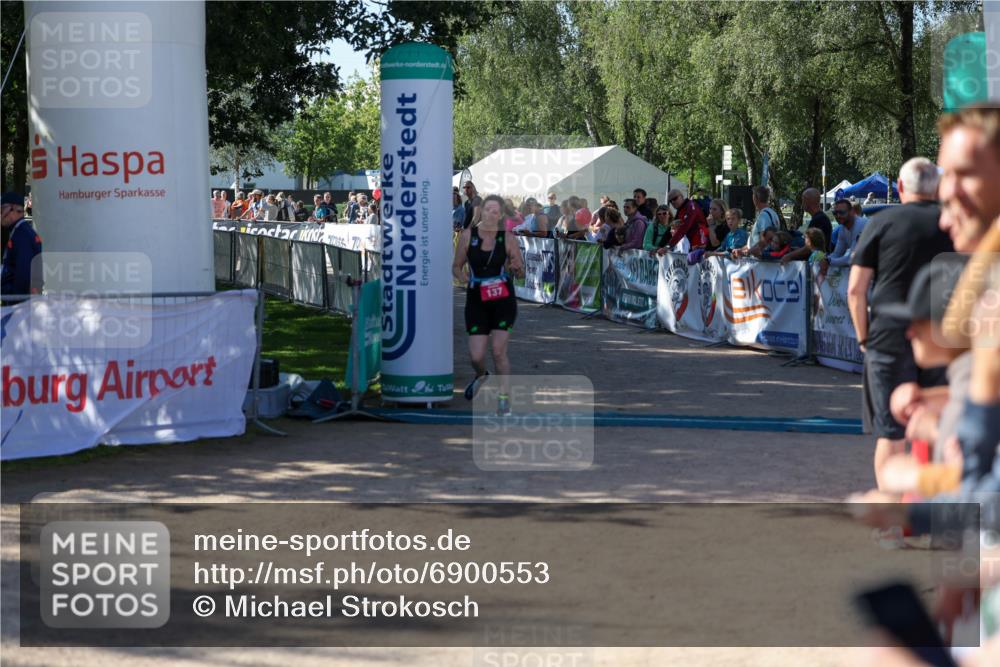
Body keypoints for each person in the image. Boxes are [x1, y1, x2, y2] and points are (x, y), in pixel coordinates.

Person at [848, 157, 953, 490]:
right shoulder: (952, 223)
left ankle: (892, 524)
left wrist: (864, 339)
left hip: (888, 336)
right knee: (937, 426)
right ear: (936, 187)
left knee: (890, 433)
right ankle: (939, 519)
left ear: (900, 188)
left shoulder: (881, 222)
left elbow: (855, 289)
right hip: (941, 337)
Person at [452, 194, 525, 415]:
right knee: (476, 356)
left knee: (498, 351)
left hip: (503, 300)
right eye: (487, 210)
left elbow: (519, 267)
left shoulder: (507, 238)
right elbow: (456, 266)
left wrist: (516, 268)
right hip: (477, 300)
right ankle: (482, 375)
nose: (491, 214)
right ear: (480, 211)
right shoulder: (467, 236)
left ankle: (504, 399)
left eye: (495, 211)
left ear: (501, 215)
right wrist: (464, 279)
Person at [0, 192, 42, 300]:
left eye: (1, 210)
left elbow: (23, 275)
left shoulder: (22, 235)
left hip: (20, 304)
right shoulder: (19, 232)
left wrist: (15, 302)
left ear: (13, 209)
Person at [781, 188, 832, 264]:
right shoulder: (820, 218)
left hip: (818, 264)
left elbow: (809, 247)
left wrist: (789, 256)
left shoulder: (819, 219)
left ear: (808, 201)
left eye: (803, 200)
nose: (802, 203)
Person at [661, 188, 707, 252]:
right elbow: (669, 231)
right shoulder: (680, 210)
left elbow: (683, 229)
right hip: (690, 245)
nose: (673, 202)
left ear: (682, 196)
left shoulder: (691, 206)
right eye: (670, 201)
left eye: (675, 198)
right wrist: (660, 247)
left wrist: (668, 246)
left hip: (699, 245)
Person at [825, 198, 868, 267]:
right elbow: (837, 254)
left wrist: (828, 261)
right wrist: (824, 259)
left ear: (852, 212)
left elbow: (851, 259)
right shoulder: (843, 227)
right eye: (835, 213)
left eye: (842, 212)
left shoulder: (861, 225)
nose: (838, 216)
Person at [745, 186, 779, 250]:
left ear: (755, 199)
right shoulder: (773, 213)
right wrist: (742, 250)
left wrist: (748, 252)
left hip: (760, 257)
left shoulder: (764, 216)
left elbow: (764, 241)